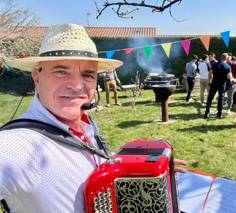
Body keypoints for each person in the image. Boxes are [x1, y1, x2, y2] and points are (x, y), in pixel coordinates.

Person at [0, 23, 187, 212]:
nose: (76, 85)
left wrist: (146, 172)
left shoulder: (84, 121)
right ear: (37, 77)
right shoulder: (19, 146)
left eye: (88, 75)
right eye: (61, 71)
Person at [204, 53, 232, 119]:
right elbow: (229, 77)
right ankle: (219, 114)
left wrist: (209, 81)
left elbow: (209, 73)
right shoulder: (228, 66)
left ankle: (207, 113)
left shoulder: (215, 64)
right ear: (227, 58)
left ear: (221, 57)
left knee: (210, 98)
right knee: (220, 99)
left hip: (214, 83)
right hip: (222, 85)